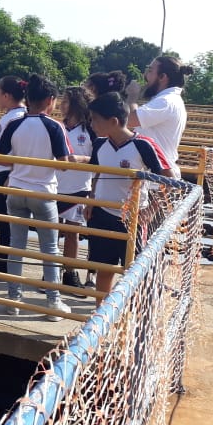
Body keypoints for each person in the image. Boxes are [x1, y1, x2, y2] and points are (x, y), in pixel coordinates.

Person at [0, 73, 75, 320]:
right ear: (50, 100)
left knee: (16, 246)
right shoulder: (54, 126)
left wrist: (21, 164)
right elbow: (63, 164)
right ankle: (52, 303)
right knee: (49, 249)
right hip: (43, 192)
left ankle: (13, 300)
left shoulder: (14, 124)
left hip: (16, 190)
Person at [86, 92, 177, 297]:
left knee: (134, 270)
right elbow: (97, 172)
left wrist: (151, 210)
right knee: (104, 268)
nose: (92, 125)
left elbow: (169, 179)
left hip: (132, 218)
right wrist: (91, 200)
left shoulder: (143, 145)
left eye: (95, 120)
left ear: (113, 121)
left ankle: (133, 310)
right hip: (102, 214)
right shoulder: (99, 144)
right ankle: (101, 308)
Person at [0, 76, 27, 274]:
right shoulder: (13, 115)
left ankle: (5, 263)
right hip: (4, 171)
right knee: (2, 220)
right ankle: (3, 260)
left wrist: (12, 172)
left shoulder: (16, 117)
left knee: (5, 221)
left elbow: (18, 150)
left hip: (8, 173)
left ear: (7, 96)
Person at [55, 86, 95, 294]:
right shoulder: (57, 127)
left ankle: (69, 274)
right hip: (55, 186)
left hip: (79, 188)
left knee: (73, 233)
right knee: (52, 232)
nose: (61, 105)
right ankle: (51, 273)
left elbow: (99, 158)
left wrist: (80, 159)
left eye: (66, 101)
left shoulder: (90, 130)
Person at [129, 55, 194, 170]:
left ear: (162, 77)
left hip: (157, 175)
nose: (146, 75)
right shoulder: (167, 99)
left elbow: (130, 120)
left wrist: (132, 96)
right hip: (155, 172)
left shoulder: (165, 101)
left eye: (150, 71)